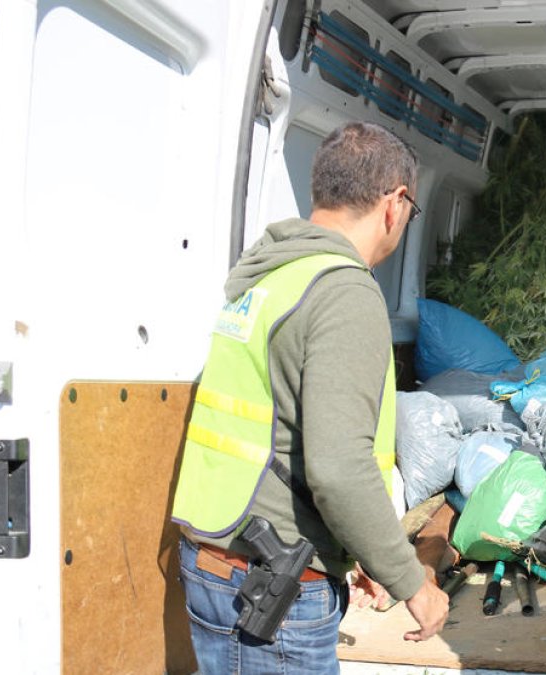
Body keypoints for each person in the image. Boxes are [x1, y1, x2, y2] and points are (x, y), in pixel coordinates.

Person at [170, 121, 448, 673]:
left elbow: (280, 430)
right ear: (395, 204)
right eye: (412, 211)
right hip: (273, 586)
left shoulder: (270, 276)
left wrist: (359, 549)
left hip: (216, 557)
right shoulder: (343, 291)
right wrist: (410, 579)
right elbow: (339, 468)